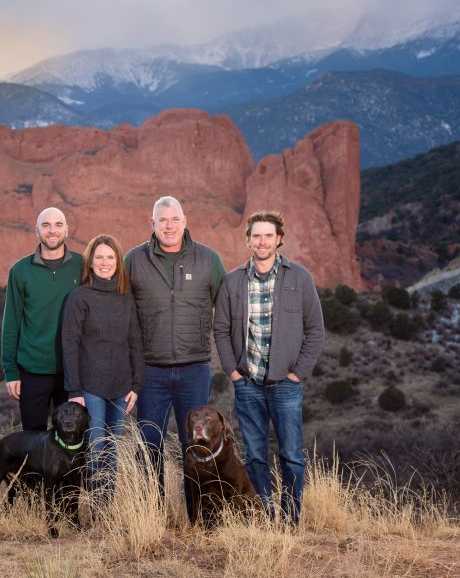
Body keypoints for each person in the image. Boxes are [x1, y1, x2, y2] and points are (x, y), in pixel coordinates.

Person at [214, 211, 324, 525]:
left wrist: (297, 373)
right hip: (247, 383)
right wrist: (233, 373)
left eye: (268, 236)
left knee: (291, 454)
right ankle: (265, 516)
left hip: (285, 385)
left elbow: (315, 329)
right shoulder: (233, 281)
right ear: (248, 239)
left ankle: (291, 519)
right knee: (255, 456)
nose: (262, 241)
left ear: (279, 239)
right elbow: (220, 330)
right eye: (256, 236)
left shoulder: (299, 277)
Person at [125, 195, 225, 521]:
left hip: (194, 369)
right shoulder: (134, 260)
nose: (169, 225)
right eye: (162, 220)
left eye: (174, 219)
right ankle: (151, 518)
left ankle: (199, 517)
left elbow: (227, 309)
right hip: (150, 371)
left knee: (196, 446)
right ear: (151, 224)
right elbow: (118, 312)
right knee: (149, 445)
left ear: (185, 220)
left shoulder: (208, 259)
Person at [62, 234, 145, 490]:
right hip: (90, 388)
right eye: (99, 257)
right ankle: (93, 509)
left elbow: (135, 342)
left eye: (110, 257)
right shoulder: (79, 297)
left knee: (112, 450)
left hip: (121, 388)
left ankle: (106, 511)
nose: (105, 262)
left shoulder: (126, 298)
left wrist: (136, 385)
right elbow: (69, 344)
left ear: (118, 262)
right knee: (96, 448)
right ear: (90, 262)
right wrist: (74, 391)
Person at [2, 207, 83, 431]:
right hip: (32, 372)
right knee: (33, 438)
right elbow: (11, 324)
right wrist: (10, 371)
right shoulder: (20, 271)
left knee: (70, 441)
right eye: (46, 225)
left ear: (67, 230)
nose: (52, 231)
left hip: (72, 373)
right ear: (36, 231)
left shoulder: (83, 266)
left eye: (58, 225)